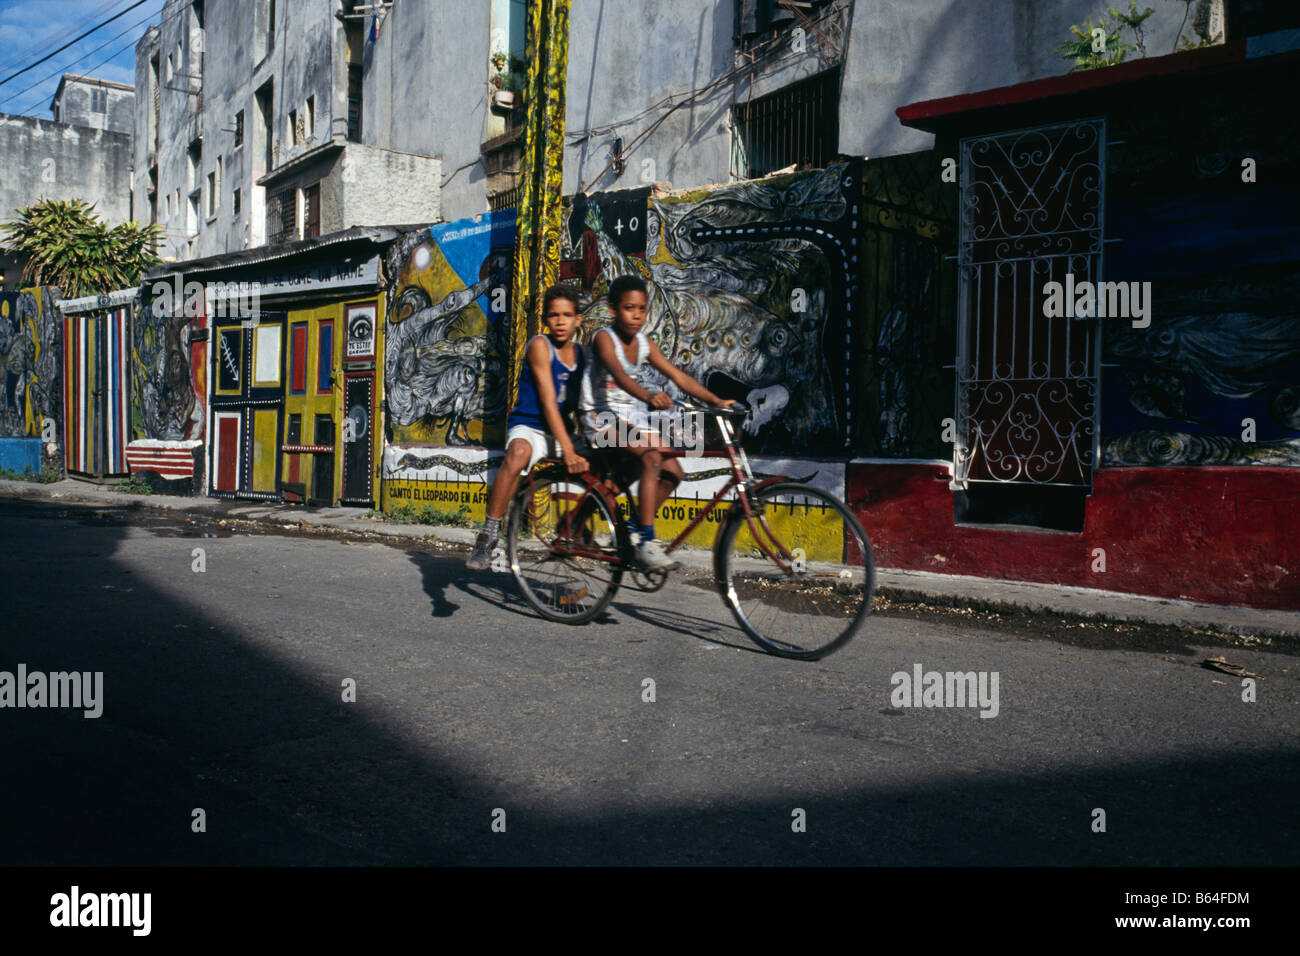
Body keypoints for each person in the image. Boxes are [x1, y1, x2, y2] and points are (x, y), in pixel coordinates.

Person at [579, 274, 734, 571]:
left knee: (674, 469)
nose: (636, 316)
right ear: (613, 310)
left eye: (641, 309)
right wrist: (649, 395)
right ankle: (647, 543)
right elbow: (621, 376)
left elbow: (679, 377)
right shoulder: (603, 338)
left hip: (630, 419)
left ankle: (636, 530)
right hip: (599, 418)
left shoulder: (644, 343)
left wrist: (716, 401)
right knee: (652, 458)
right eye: (629, 308)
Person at [466, 285, 588, 570]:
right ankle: (488, 535)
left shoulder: (582, 355)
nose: (560, 321)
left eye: (567, 315)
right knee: (518, 452)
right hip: (531, 427)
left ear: (577, 319)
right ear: (545, 319)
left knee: (604, 455)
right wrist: (569, 448)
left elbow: (585, 402)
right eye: (554, 315)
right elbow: (547, 402)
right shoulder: (539, 346)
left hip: (561, 432)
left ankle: (582, 524)